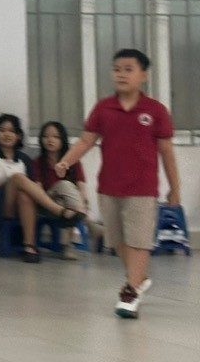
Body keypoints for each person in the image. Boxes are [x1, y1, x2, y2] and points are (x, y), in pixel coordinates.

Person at [57, 48, 181, 318]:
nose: (121, 74)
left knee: (138, 241)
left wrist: (175, 187)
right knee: (117, 242)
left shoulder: (155, 111)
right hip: (109, 187)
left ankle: (130, 293)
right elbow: (86, 141)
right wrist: (66, 162)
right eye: (117, 69)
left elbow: (167, 152)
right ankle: (139, 279)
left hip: (142, 189)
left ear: (144, 75)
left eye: (128, 69)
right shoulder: (103, 108)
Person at [0, 113, 82, 263]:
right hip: (0, 207)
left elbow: (33, 188)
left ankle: (30, 247)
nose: (6, 134)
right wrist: (6, 183)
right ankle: (59, 211)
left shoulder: (24, 159)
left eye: (11, 131)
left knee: (25, 193)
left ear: (19, 135)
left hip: (25, 207)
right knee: (17, 178)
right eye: (2, 130)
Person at [31, 121, 90, 260]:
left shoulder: (73, 162)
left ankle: (68, 243)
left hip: (68, 204)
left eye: (55, 137)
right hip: (47, 203)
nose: (50, 140)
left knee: (69, 197)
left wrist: (83, 202)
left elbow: (82, 188)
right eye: (46, 136)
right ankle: (87, 228)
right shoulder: (37, 163)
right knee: (64, 185)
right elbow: (38, 191)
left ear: (62, 140)